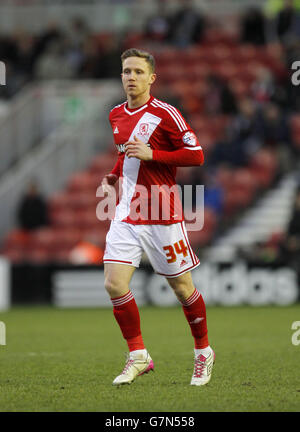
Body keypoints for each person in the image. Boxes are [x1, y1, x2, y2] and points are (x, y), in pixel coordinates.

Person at [100, 48, 215, 387]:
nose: (131, 77)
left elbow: (197, 155)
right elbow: (126, 155)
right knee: (114, 283)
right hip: (127, 212)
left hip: (162, 212)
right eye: (126, 71)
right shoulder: (115, 115)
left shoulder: (166, 114)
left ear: (151, 77)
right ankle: (138, 355)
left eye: (137, 71)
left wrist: (155, 154)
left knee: (181, 287)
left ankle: (203, 352)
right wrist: (112, 174)